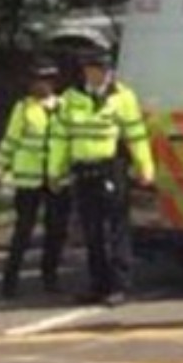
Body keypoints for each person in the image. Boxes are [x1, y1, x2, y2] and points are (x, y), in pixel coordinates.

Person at [54, 48, 154, 307]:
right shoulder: (71, 97)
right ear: (87, 70)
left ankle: (119, 285)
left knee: (117, 229)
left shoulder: (122, 96)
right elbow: (60, 137)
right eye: (95, 69)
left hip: (110, 169)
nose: (101, 75)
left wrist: (145, 166)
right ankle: (98, 284)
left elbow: (135, 134)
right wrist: (55, 170)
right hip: (82, 170)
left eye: (105, 70)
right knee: (91, 232)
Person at [0, 60, 70, 299]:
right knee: (23, 231)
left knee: (56, 231)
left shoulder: (65, 107)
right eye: (35, 81)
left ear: (53, 83)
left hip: (57, 180)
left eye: (44, 81)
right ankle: (10, 280)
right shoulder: (23, 108)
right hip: (29, 180)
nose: (39, 86)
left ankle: (50, 277)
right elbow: (10, 141)